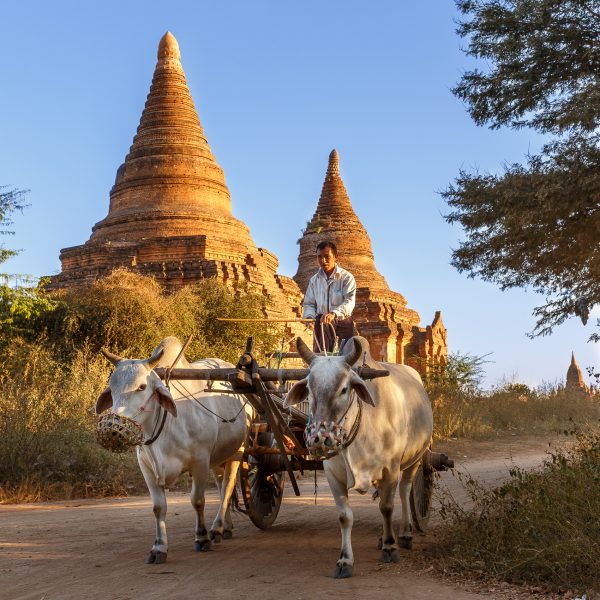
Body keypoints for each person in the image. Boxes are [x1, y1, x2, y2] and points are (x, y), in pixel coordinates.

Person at [302, 241, 357, 352]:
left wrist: (333, 313)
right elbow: (309, 303)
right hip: (322, 323)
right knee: (321, 355)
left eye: (327, 257)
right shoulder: (314, 280)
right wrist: (309, 317)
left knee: (347, 358)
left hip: (343, 320)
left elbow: (349, 301)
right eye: (320, 257)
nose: (323, 261)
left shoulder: (346, 278)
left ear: (336, 257)